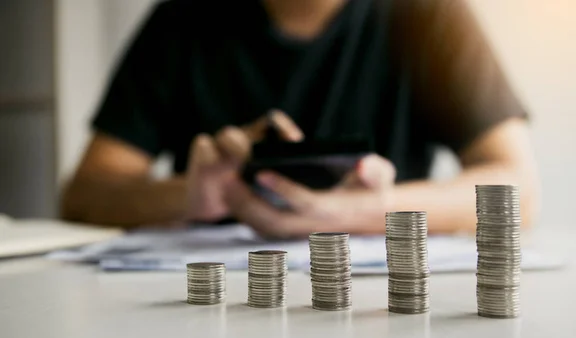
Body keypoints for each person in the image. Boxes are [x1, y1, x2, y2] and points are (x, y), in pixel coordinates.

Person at [61, 0, 539, 237]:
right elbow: (84, 195)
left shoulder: (427, 14)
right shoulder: (182, 20)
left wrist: (359, 212)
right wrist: (188, 195)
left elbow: (519, 188)